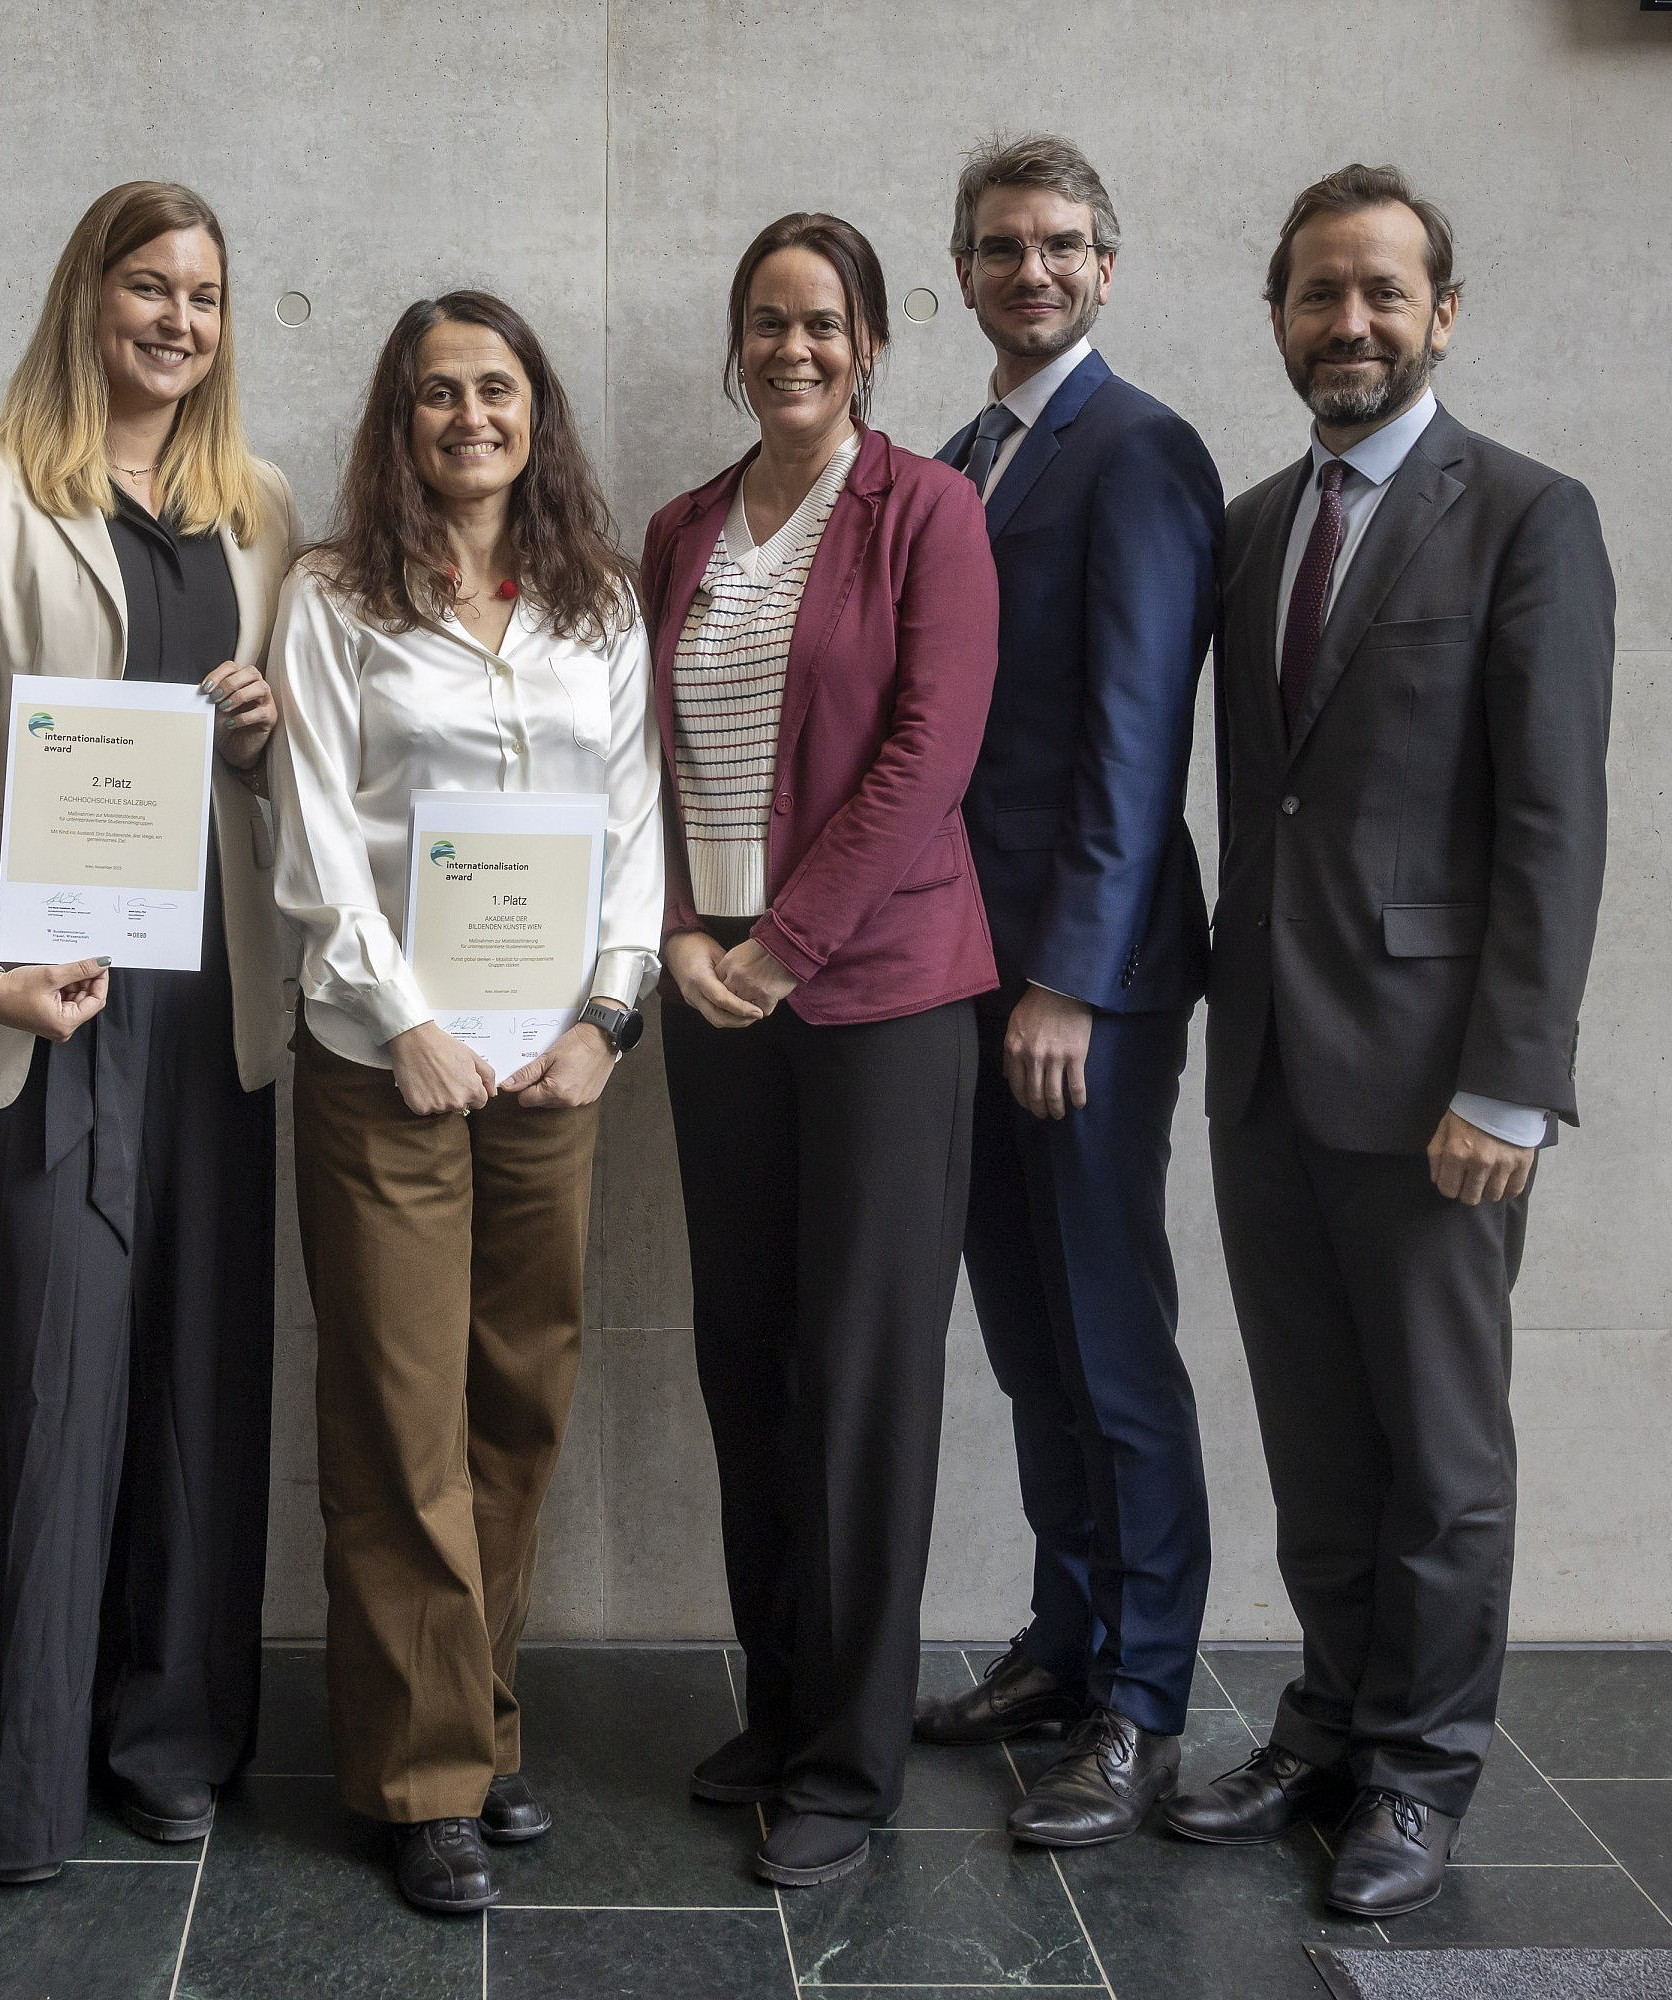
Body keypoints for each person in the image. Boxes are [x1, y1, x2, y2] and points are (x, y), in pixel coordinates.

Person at [1164, 166, 1613, 1919]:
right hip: (1268, 1059)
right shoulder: (1257, 521)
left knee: (1441, 1454)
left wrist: (1513, 1078)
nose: (1346, 323)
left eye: (1379, 294)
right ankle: (1333, 1723)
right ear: (1277, 315)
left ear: (1442, 311)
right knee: (1317, 1434)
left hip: (1440, 1082)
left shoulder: (1525, 516)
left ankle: (1419, 1773)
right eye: (1314, 296)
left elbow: (1553, 825)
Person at [0, 180, 298, 1885]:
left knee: (204, 1373)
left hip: (213, 1006)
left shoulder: (259, 505)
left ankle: (173, 1735)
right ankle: (26, 1772)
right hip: (36, 1009)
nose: (178, 321)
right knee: (47, 1386)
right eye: (148, 286)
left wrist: (271, 729)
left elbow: (288, 773)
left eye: (204, 295)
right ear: (88, 296)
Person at [271, 290, 661, 1916]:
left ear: (535, 409)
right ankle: (425, 1775)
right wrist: (406, 1020)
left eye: (495, 389)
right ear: (399, 421)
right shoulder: (333, 597)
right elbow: (308, 837)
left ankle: (475, 1722)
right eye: (437, 395)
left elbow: (637, 828)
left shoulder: (600, 602)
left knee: (518, 1403)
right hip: (392, 1071)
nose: (470, 419)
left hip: (553, 1069)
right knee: (397, 1419)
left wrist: (607, 1020)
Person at [646, 215, 999, 1893]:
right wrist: (675, 940)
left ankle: (852, 1764)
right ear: (738, 341)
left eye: (825, 323)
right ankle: (780, 1705)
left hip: (877, 1002)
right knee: (748, 1358)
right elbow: (628, 748)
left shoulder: (928, 510)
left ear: (868, 343)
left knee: (861, 1382)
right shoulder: (681, 530)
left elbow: (929, 749)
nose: (794, 348)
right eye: (768, 322)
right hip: (713, 1000)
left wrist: (789, 944)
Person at [911, 136, 1223, 1849]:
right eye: (1001, 246)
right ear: (960, 271)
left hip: (1071, 990)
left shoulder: (1139, 451)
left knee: (1109, 1340)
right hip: (959, 972)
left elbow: (1134, 739)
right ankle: (1065, 1636)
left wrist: (1073, 989)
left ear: (1108, 267)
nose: (1031, 270)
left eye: (1061, 246)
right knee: (1028, 1340)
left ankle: (1146, 1700)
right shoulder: (962, 457)